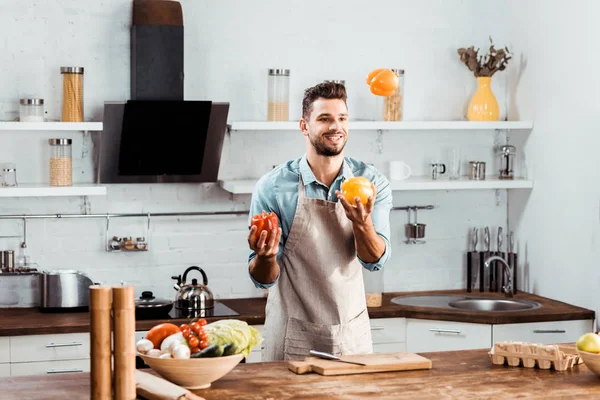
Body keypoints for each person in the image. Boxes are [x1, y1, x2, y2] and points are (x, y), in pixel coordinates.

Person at [247, 81, 393, 361]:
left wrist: (362, 224)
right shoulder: (274, 187)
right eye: (324, 119)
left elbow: (375, 260)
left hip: (350, 334)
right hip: (292, 335)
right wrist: (265, 256)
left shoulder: (372, 183)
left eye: (342, 118)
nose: (335, 126)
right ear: (304, 126)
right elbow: (263, 279)